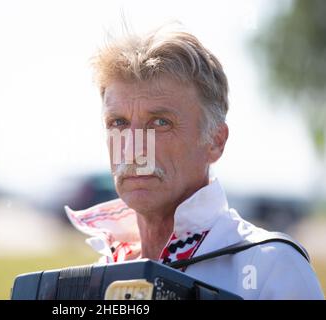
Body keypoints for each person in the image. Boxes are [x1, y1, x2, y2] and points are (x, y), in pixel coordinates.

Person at [65, 24, 324, 299]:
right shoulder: (91, 282)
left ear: (215, 141)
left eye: (160, 123)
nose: (133, 150)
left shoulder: (272, 268)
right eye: (118, 123)